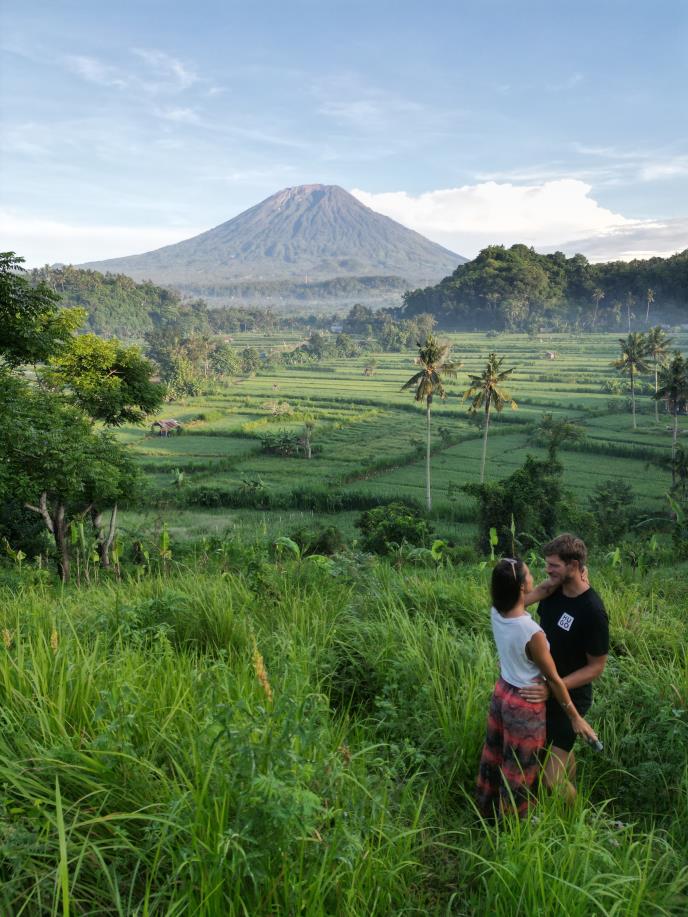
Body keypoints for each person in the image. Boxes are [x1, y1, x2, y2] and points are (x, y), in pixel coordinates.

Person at [476, 557, 598, 818]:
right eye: (529, 574)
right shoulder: (532, 632)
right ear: (521, 586)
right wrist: (575, 717)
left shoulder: (497, 611)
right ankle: (516, 824)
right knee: (520, 770)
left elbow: (542, 590)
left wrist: (572, 574)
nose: (537, 577)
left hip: (503, 693)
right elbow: (553, 679)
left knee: (498, 756)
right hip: (525, 704)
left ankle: (489, 808)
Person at [520, 533, 609, 802]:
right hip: (545, 688)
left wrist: (553, 688)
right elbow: (518, 606)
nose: (547, 570)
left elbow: (596, 667)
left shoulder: (592, 611)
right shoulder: (553, 589)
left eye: (553, 565)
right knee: (550, 754)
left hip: (570, 696)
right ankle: (568, 782)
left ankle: (575, 821)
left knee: (551, 780)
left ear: (573, 565)